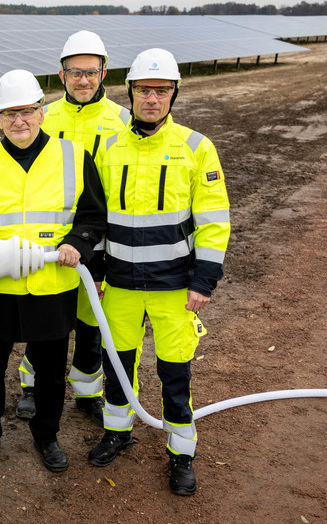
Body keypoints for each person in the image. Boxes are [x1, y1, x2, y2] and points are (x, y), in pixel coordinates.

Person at [87, 48, 230, 496]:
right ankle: (117, 431)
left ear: (174, 95)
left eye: (161, 90)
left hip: (175, 287)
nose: (152, 99)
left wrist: (204, 280)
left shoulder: (195, 147)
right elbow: (93, 217)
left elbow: (213, 219)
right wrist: (97, 272)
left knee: (175, 371)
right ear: (129, 93)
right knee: (117, 364)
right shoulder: (108, 148)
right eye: (144, 90)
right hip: (122, 284)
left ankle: (181, 451)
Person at [0, 70, 107, 472]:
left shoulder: (74, 157)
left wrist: (78, 242)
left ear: (42, 112)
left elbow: (93, 214)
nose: (18, 121)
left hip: (52, 287)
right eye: (9, 114)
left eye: (26, 111)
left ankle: (47, 435)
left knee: (52, 373)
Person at [15, 31, 130, 426]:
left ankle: (87, 390)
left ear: (103, 73)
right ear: (61, 75)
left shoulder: (122, 120)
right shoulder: (45, 117)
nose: (83, 80)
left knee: (92, 318)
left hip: (101, 235)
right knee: (45, 313)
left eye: (91, 72)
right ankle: (30, 384)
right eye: (74, 72)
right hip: (50, 240)